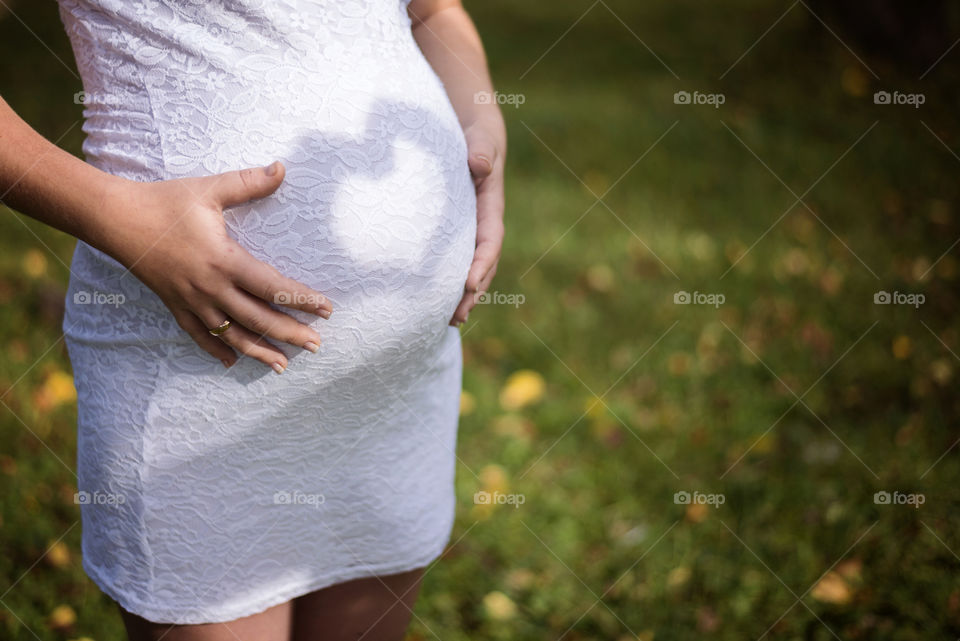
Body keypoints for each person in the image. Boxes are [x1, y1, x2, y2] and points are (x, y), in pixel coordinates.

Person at [0, 0, 505, 638]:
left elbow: (433, 12)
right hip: (200, 376)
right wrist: (115, 216)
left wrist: (480, 119)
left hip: (393, 391)